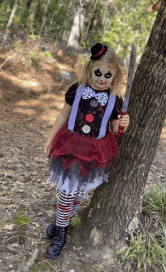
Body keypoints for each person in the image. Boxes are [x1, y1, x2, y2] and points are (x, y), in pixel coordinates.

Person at [43, 43, 130, 259]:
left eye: (107, 75)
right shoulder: (77, 90)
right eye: (98, 73)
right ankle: (61, 233)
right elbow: (63, 116)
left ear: (115, 75)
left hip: (95, 152)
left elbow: (113, 128)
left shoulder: (114, 100)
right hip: (71, 147)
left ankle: (62, 221)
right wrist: (49, 139)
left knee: (79, 194)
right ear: (90, 69)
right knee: (67, 191)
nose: (102, 78)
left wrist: (123, 123)